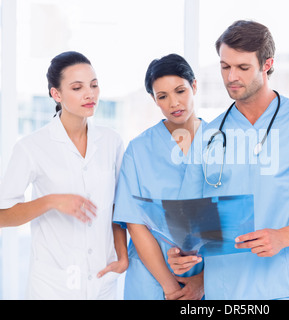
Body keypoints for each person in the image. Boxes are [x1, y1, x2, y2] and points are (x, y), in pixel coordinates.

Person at [168, 20, 289, 300]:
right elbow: (190, 220)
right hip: (227, 289)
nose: (231, 76)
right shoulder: (208, 136)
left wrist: (284, 237)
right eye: (225, 66)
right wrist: (183, 257)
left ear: (267, 64)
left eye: (243, 68)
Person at [0, 51, 128, 299]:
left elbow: (118, 206)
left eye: (94, 85)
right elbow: (3, 216)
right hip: (53, 285)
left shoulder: (111, 141)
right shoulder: (31, 147)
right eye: (77, 87)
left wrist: (122, 255)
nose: (90, 94)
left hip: (103, 280)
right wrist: (51, 201)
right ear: (56, 94)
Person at [113, 53, 205, 300]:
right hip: (151, 276)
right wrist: (170, 287)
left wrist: (203, 282)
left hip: (209, 273)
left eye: (180, 91)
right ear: (154, 100)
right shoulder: (139, 149)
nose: (174, 103)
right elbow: (135, 222)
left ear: (194, 86)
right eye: (162, 96)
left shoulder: (223, 142)